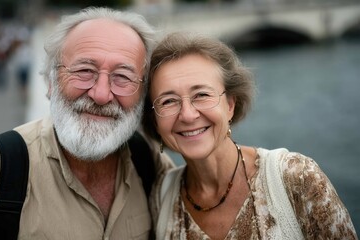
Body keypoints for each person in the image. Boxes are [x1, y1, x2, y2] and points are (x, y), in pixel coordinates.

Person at [0, 7, 174, 239]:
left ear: (143, 93)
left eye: (122, 77)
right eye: (84, 71)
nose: (101, 95)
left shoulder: (152, 165)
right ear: (50, 81)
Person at [141, 32, 357, 239]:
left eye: (202, 95)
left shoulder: (297, 178)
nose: (187, 115)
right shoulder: (161, 196)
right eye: (168, 101)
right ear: (154, 120)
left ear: (230, 105)